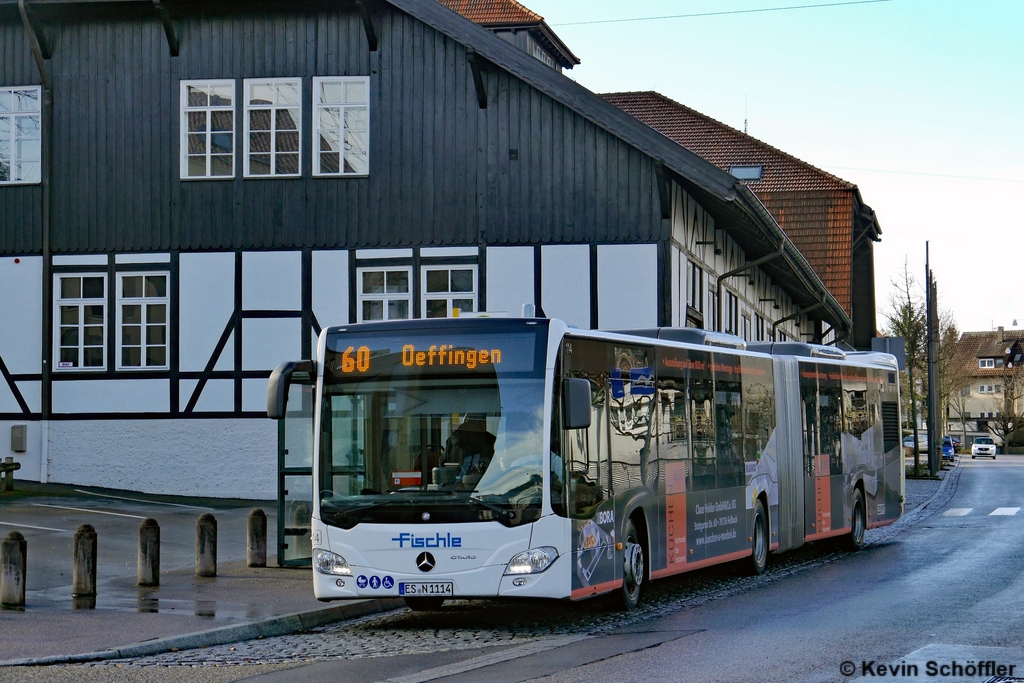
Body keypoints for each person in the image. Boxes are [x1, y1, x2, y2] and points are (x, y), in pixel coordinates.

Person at [445, 416, 496, 487]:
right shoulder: (489, 441)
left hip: (454, 487)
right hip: (484, 486)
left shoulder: (451, 441)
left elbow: (443, 466)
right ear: (481, 423)